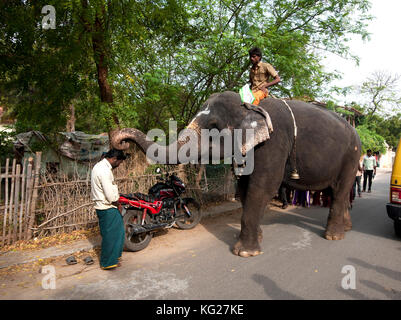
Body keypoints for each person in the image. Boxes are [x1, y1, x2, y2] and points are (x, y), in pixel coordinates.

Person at [91, 148, 127, 270]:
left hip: (104, 207)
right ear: (114, 159)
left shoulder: (99, 166)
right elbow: (110, 195)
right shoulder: (104, 171)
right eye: (119, 162)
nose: (119, 165)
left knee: (117, 233)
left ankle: (114, 258)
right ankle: (107, 262)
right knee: (112, 236)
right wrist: (117, 203)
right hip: (107, 207)